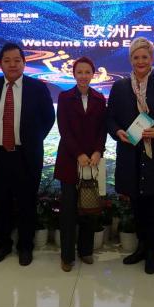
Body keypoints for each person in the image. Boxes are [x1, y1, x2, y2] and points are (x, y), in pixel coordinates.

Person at [106, 37, 154, 274]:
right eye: (136, 57)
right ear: (131, 59)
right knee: (137, 204)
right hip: (130, 153)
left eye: (144, 57)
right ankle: (140, 247)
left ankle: (151, 252)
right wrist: (117, 132)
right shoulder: (119, 87)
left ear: (152, 58)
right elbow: (110, 118)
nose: (140, 61)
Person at [0, 43, 55, 266]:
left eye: (17, 60)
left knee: (27, 203)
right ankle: (4, 244)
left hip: (26, 156)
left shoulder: (37, 88)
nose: (12, 64)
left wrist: (33, 140)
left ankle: (25, 246)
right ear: (0, 64)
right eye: (7, 60)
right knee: (1, 202)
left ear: (24, 63)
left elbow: (48, 118)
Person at [54, 57, 107, 272]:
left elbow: (102, 129)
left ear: (93, 74)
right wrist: (78, 154)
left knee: (88, 208)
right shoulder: (65, 97)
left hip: (92, 161)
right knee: (68, 211)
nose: (83, 76)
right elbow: (64, 130)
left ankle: (86, 251)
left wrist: (98, 151)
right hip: (69, 160)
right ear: (74, 74)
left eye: (87, 72)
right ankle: (67, 257)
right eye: (80, 72)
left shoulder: (99, 98)